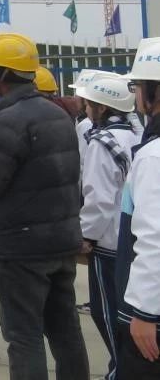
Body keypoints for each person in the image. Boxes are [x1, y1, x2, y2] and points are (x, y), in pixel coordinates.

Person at [0, 32, 89, 379]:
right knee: (65, 330)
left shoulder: (3, 122)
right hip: (61, 240)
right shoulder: (59, 116)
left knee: (24, 336)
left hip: (20, 248)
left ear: (0, 75)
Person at [77, 74, 139, 380]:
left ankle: (120, 371)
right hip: (130, 241)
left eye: (89, 103)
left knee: (108, 315)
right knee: (129, 314)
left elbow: (98, 200)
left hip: (107, 243)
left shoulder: (102, 143)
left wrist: (86, 235)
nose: (86, 108)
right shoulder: (136, 136)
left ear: (101, 108)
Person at [117, 40, 160, 377]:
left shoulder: (153, 156)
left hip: (153, 313)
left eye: (137, 86)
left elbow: (154, 238)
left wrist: (144, 312)